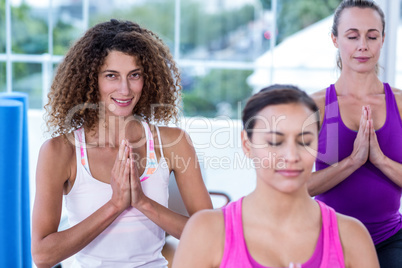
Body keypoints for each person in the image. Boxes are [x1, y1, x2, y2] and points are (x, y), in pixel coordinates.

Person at [31, 19, 213, 268]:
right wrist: (115, 205)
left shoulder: (172, 143)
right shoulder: (61, 151)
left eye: (134, 75)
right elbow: (42, 256)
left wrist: (142, 203)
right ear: (90, 80)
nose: (125, 89)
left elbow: (213, 235)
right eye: (111, 76)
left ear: (147, 78)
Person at [172, 85, 379, 268]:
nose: (291, 156)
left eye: (305, 142)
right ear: (247, 144)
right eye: (274, 142)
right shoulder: (205, 231)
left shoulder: (351, 236)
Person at [308, 0, 402, 266]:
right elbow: (297, 188)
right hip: (327, 237)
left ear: (382, 40)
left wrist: (381, 160)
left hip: (389, 239)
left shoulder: (400, 103)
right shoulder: (314, 107)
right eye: (352, 36)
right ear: (335, 40)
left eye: (372, 36)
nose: (363, 45)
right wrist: (352, 162)